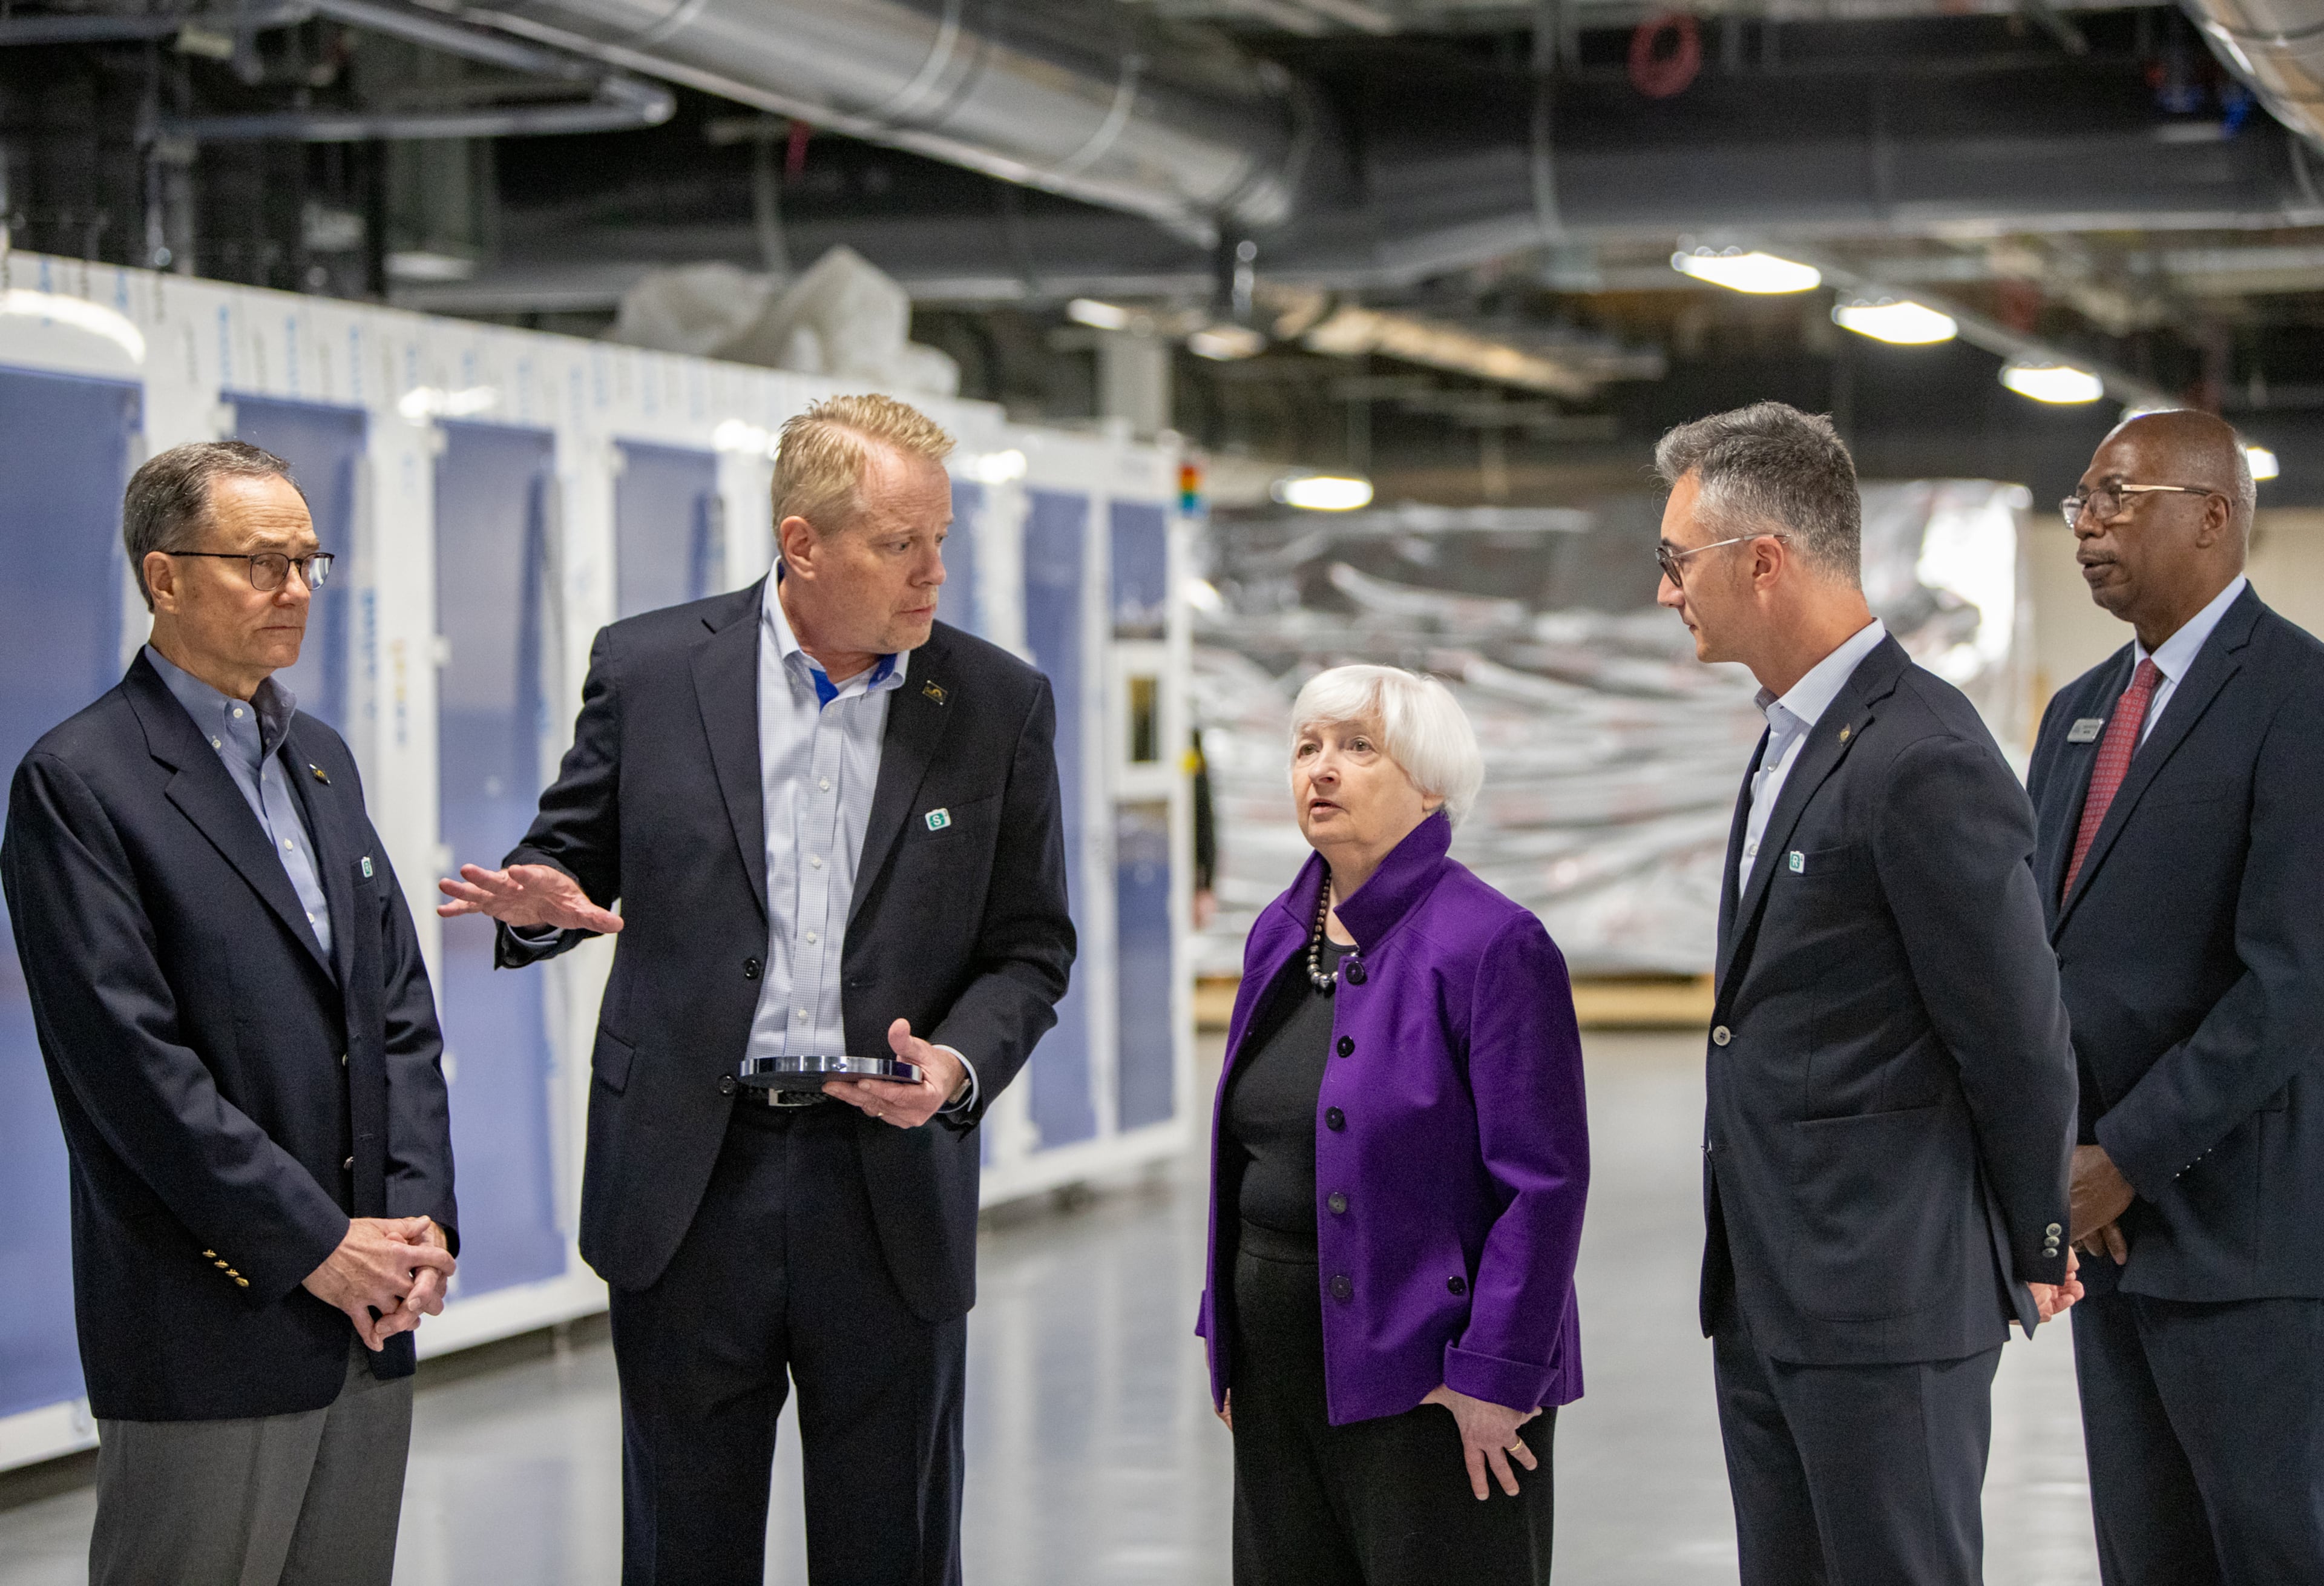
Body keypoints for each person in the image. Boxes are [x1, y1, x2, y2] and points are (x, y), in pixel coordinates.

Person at [436, 393, 1074, 1586]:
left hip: (885, 1183)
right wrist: (541, 899)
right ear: (802, 543)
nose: (934, 572)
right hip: (690, 1176)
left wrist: (956, 1066)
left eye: (943, 538)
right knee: (685, 1539)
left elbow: (1031, 945)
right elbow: (569, 853)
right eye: (901, 544)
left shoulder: (993, 702)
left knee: (893, 1540)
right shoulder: (651, 668)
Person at [1, 441, 458, 1586]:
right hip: (208, 1317)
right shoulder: (82, 782)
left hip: (367, 1316)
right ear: (164, 579)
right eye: (263, 564)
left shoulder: (320, 763)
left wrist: (416, 1226)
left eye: (309, 561)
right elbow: (133, 1069)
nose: (297, 589)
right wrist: (316, 1245)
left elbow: (395, 1006)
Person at [1653, 403, 2079, 1586]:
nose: (1666, 590)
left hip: (1887, 1306)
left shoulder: (1922, 757)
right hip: (1772, 1292)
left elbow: (2016, 1030)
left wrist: (2040, 1229)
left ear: (1765, 561)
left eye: (1677, 561)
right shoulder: (1790, 736)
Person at [1196, 663, 1589, 1586]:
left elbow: (1544, 1183)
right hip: (1279, 1375)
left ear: (1430, 786)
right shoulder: (1277, 936)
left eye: (1357, 748)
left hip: (1436, 1382)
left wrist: (1498, 1374)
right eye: (1307, 747)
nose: (1321, 770)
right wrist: (1228, 1341)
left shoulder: (1494, 944)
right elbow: (1246, 1151)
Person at [2027, 410, 2324, 1585]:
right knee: (2145, 1556)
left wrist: (2129, 1154)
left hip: (2243, 1237)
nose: (2089, 524)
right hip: (2105, 1232)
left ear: (2215, 514)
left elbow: (2292, 978)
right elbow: (2040, 955)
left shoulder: (2298, 698)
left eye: (2118, 496)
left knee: (2269, 1545)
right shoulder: (2078, 711)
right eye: (2081, 503)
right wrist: (2061, 1154)